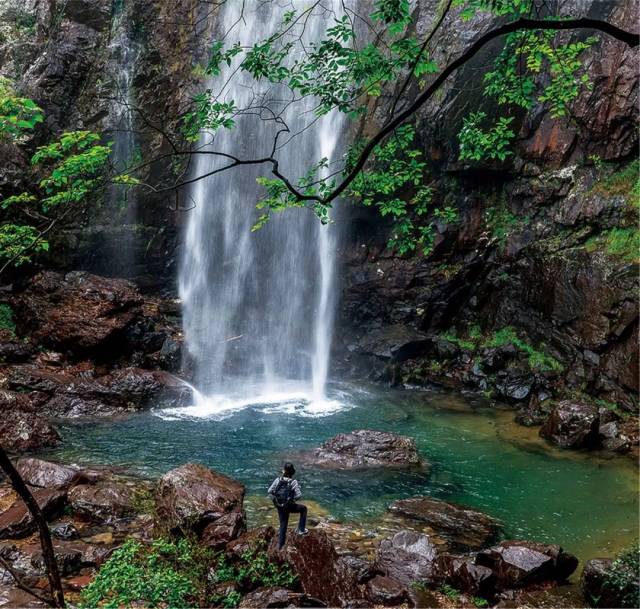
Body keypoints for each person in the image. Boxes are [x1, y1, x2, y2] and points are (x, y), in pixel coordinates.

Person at [268, 462, 309, 549]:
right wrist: (292, 501)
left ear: (284, 471)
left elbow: (270, 491)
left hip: (279, 506)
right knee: (304, 509)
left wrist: (276, 501)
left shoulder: (278, 479)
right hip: (289, 506)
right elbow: (299, 495)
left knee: (283, 525)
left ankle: (280, 547)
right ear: (292, 472)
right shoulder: (293, 482)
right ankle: (301, 530)